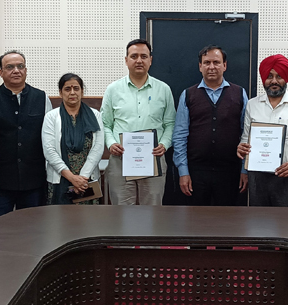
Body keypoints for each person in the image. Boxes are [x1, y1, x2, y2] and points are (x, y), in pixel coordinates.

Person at [236, 54, 288, 207]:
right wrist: (242, 148)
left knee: (287, 226)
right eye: (269, 76)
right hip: (257, 178)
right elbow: (246, 138)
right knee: (258, 225)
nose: (274, 81)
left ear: (286, 78)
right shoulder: (252, 104)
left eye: (279, 76)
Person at [100, 39, 176, 206]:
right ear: (126, 60)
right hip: (120, 160)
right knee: (122, 213)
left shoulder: (163, 89)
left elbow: (170, 123)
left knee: (152, 212)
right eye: (134, 56)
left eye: (144, 56)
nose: (139, 60)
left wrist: (164, 144)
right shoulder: (113, 89)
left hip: (153, 159)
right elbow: (105, 124)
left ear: (151, 60)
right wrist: (111, 143)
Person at [172, 45, 249, 206]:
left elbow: (246, 134)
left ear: (224, 65)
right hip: (196, 173)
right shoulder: (188, 95)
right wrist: (183, 171)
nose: (212, 67)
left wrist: (244, 169)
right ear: (200, 66)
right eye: (207, 62)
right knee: (195, 223)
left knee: (230, 222)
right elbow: (179, 136)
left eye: (216, 62)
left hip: (230, 172)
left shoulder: (239, 93)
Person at [0, 50, 52, 218]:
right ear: (1, 72)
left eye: (20, 66)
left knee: (33, 230)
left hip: (34, 180)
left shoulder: (42, 98)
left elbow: (49, 140)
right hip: (1, 182)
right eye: (10, 67)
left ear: (26, 70)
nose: (16, 70)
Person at [42, 73, 103, 205]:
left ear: (82, 91)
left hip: (87, 181)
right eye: (67, 89)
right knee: (60, 222)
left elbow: (98, 148)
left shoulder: (95, 115)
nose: (72, 92)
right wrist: (71, 177)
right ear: (60, 92)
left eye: (76, 88)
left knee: (89, 222)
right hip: (60, 178)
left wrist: (82, 178)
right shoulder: (51, 117)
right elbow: (49, 151)